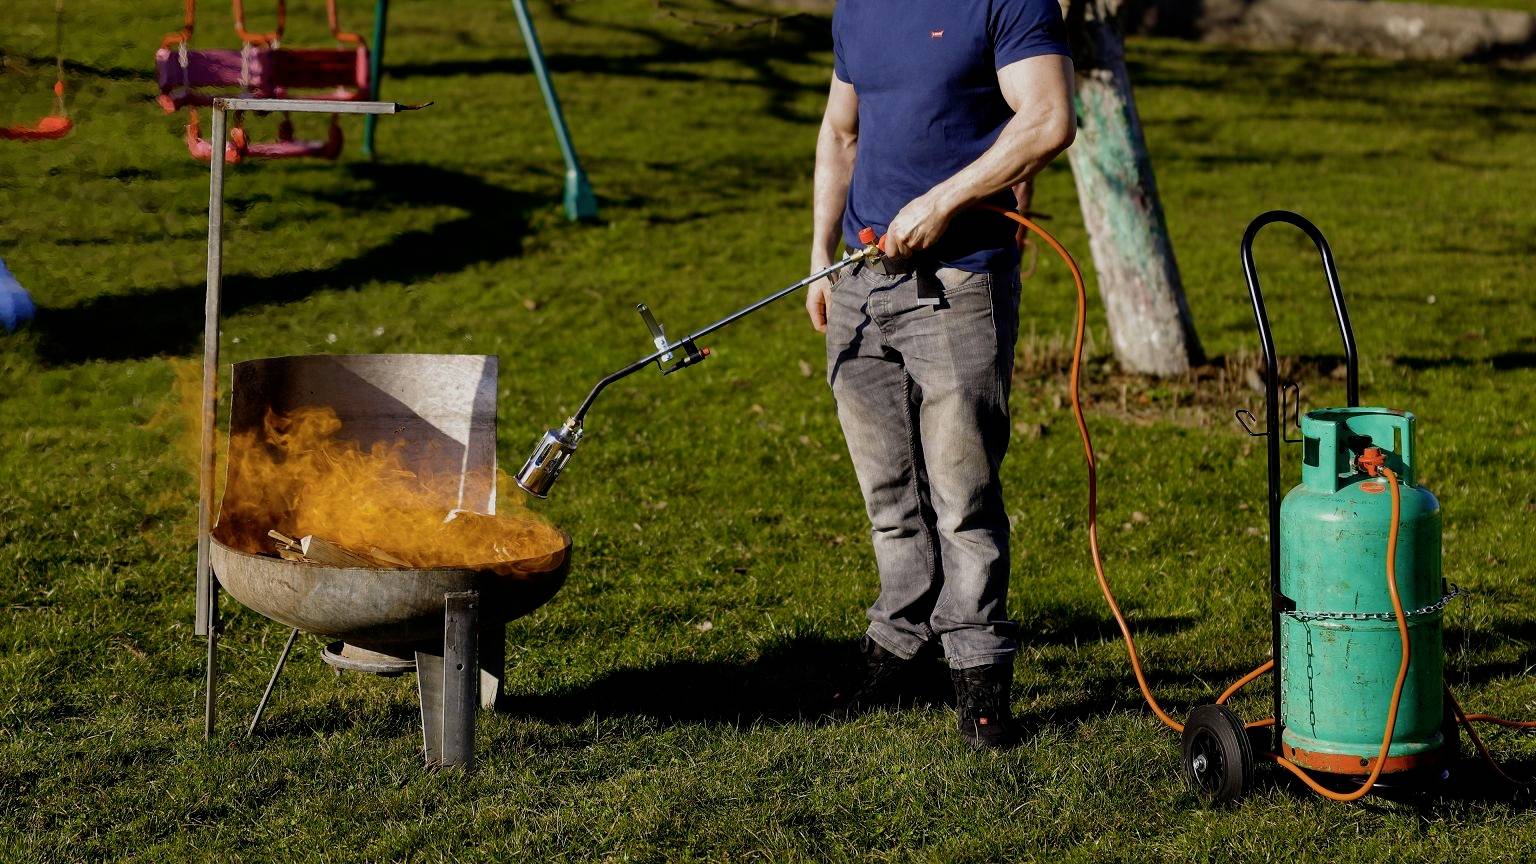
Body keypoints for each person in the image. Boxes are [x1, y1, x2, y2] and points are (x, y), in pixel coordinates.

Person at [807, 0, 1076, 749]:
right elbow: (841, 130)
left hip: (957, 281)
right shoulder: (859, 6)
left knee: (963, 498)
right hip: (860, 282)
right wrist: (819, 258)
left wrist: (945, 199)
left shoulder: (1007, 2)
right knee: (888, 494)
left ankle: (979, 670)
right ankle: (900, 641)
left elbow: (1049, 118)